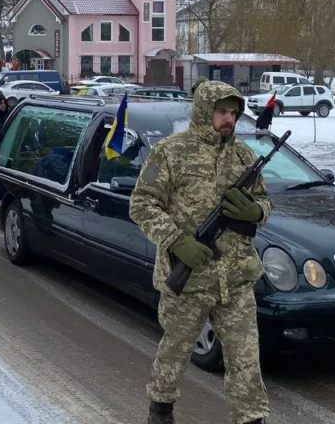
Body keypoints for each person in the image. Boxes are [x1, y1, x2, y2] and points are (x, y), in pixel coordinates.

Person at [129, 81, 271, 424]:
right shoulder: (169, 152)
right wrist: (177, 241)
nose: (228, 119)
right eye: (222, 112)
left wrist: (256, 212)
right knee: (175, 351)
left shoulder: (244, 155)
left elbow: (264, 201)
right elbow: (142, 204)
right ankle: (160, 409)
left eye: (233, 113)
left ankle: (252, 418)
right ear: (205, 111)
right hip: (190, 279)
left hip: (236, 278)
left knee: (246, 360)